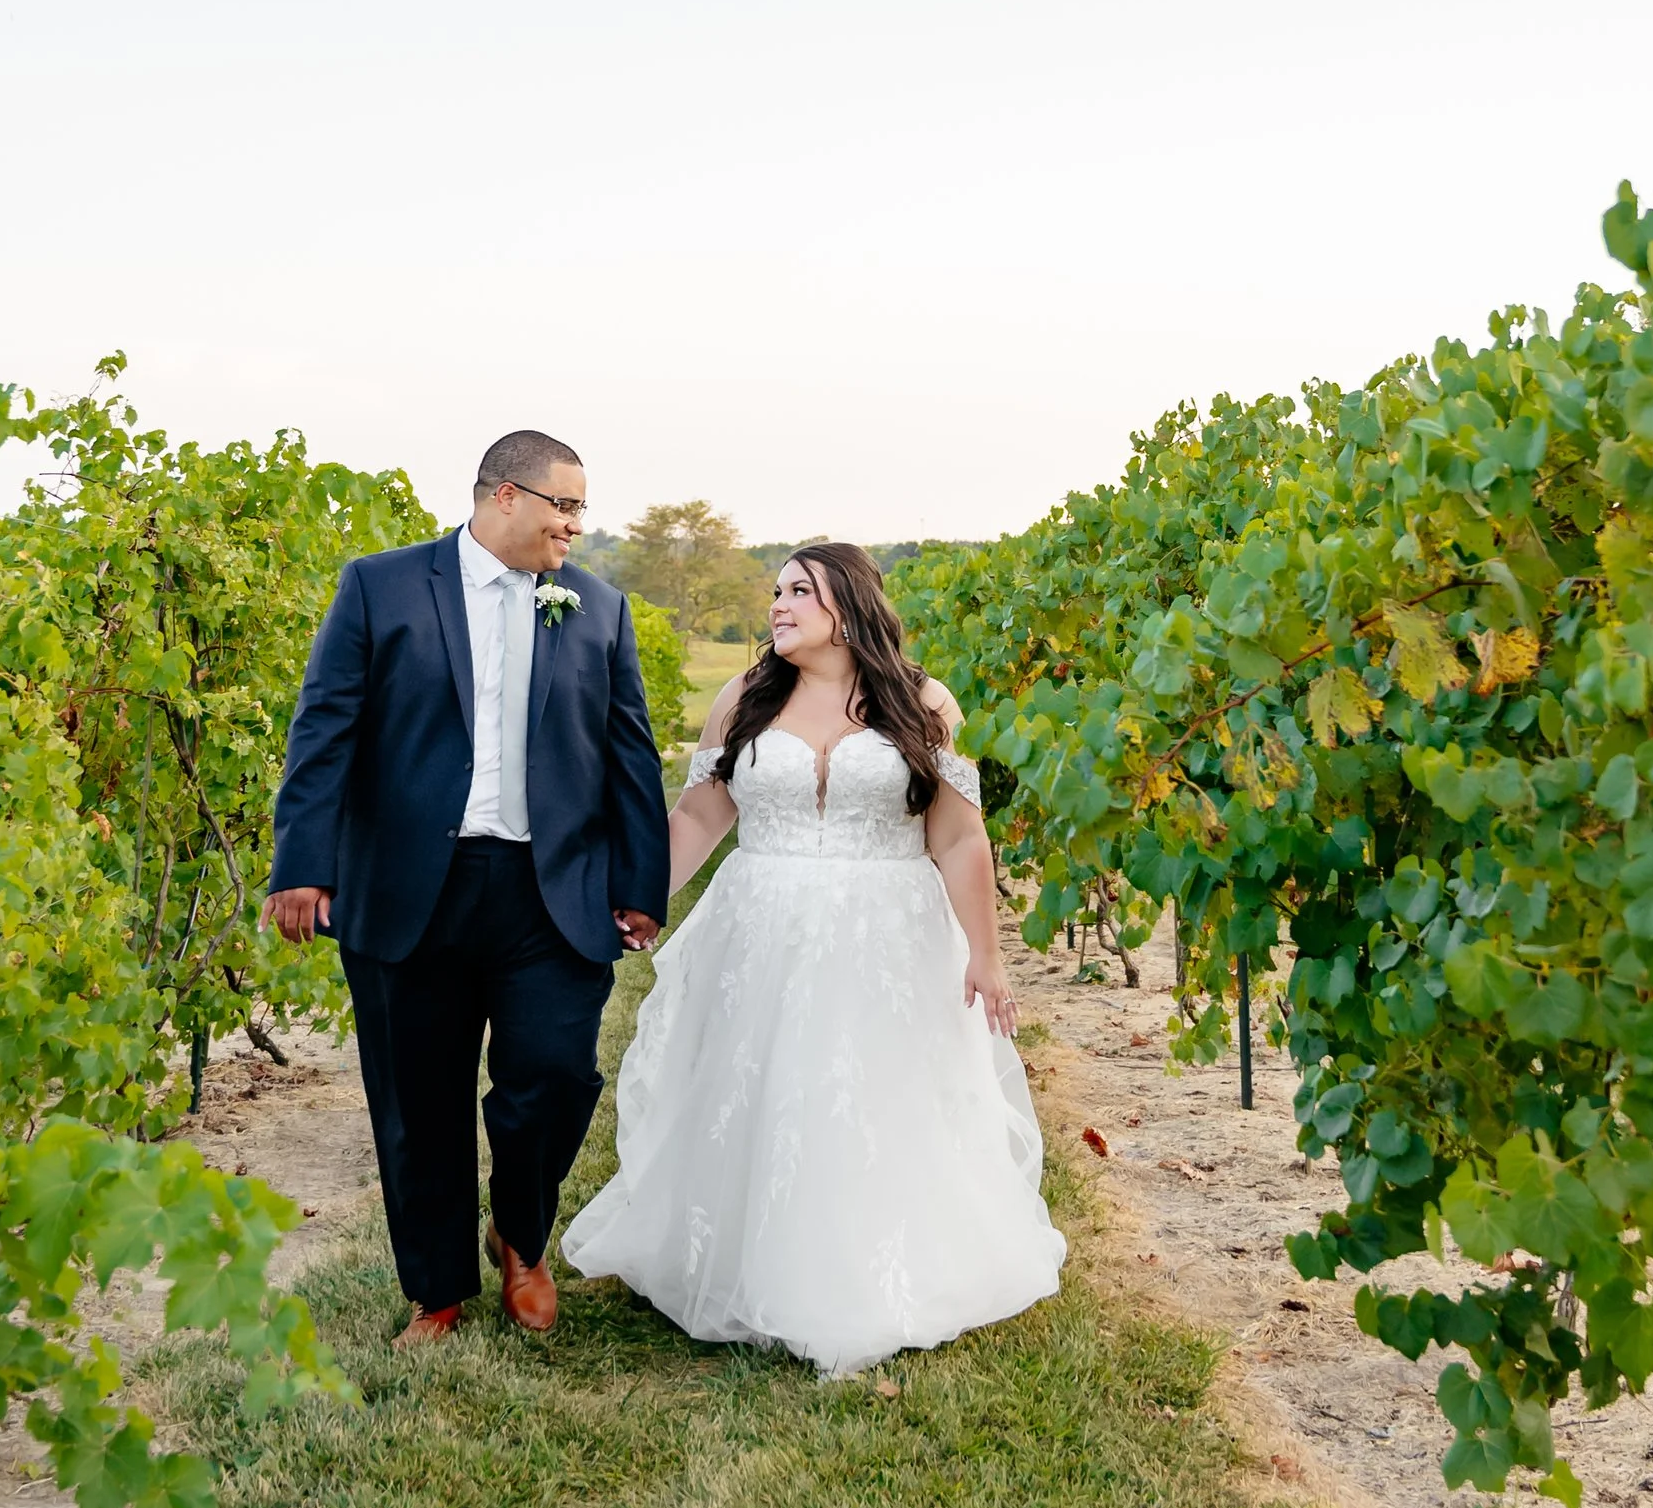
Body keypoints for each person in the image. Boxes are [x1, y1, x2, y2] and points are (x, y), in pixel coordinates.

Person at [563, 543, 1064, 1374]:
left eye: (800, 589)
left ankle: (872, 1272)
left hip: (888, 930)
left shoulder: (924, 701)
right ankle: (749, 1263)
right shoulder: (746, 696)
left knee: (875, 1094)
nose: (779, 603)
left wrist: (987, 954)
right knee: (764, 1088)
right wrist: (647, 898)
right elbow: (698, 814)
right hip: (763, 924)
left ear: (849, 604)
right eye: (776, 589)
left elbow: (956, 833)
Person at [266, 430, 669, 1341]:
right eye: (562, 504)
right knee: (418, 1100)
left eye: (580, 508)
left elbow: (630, 754)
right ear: (502, 497)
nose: (574, 523)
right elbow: (323, 729)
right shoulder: (383, 585)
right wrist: (301, 867)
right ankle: (437, 1290)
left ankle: (521, 1237)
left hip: (549, 891)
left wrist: (641, 883)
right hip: (411, 887)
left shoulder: (597, 607)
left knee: (556, 1079)